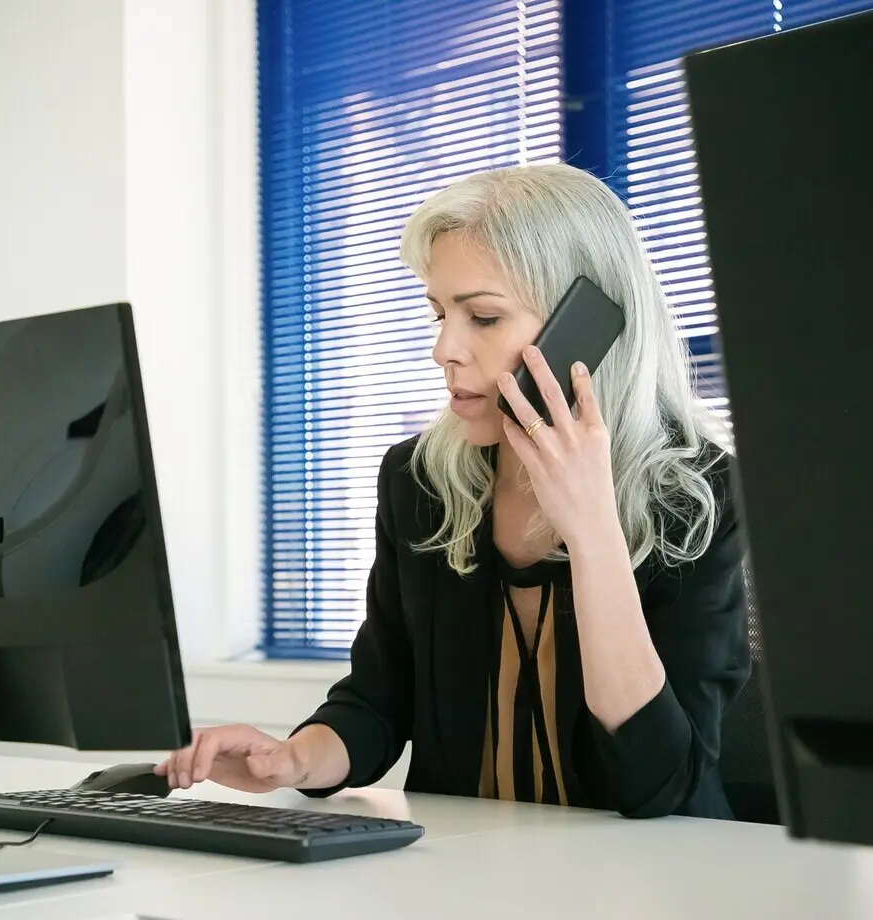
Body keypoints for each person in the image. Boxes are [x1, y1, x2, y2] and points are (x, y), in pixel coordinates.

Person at [155, 163, 751, 819]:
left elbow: (658, 785)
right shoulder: (420, 480)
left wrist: (592, 534)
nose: (445, 348)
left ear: (591, 329)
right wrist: (292, 760)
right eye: (439, 313)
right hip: (464, 874)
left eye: (484, 317)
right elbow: (379, 700)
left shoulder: (697, 495)